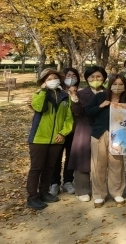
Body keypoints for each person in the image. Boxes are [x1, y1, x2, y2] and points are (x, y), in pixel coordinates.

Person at [25, 68, 74, 210]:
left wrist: (63, 133)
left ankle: (44, 192)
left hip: (57, 139)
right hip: (39, 138)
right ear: (43, 82)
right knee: (36, 168)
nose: (53, 81)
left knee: (50, 167)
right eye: (49, 79)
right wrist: (43, 91)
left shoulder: (65, 96)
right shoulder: (38, 95)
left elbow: (69, 118)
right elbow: (39, 108)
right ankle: (32, 197)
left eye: (55, 78)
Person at [85, 74, 126, 207]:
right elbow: (87, 111)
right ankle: (99, 195)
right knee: (98, 165)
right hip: (99, 134)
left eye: (120, 84)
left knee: (117, 164)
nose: (117, 87)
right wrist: (100, 106)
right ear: (110, 85)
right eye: (115, 84)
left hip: (118, 136)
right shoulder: (100, 96)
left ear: (125, 87)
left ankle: (117, 192)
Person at [68, 66, 108, 203]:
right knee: (82, 158)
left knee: (101, 160)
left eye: (98, 76)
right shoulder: (80, 93)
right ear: (86, 79)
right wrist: (74, 97)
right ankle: (82, 189)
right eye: (91, 77)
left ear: (104, 78)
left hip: (103, 129)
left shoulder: (108, 93)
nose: (95, 79)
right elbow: (78, 111)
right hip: (85, 128)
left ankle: (100, 189)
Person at [49, 67, 79, 196]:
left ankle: (68, 181)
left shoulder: (80, 92)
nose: (71, 78)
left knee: (70, 157)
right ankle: (54, 183)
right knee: (56, 157)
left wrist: (74, 95)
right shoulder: (56, 92)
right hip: (58, 131)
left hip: (74, 130)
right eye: (68, 75)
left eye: (74, 75)